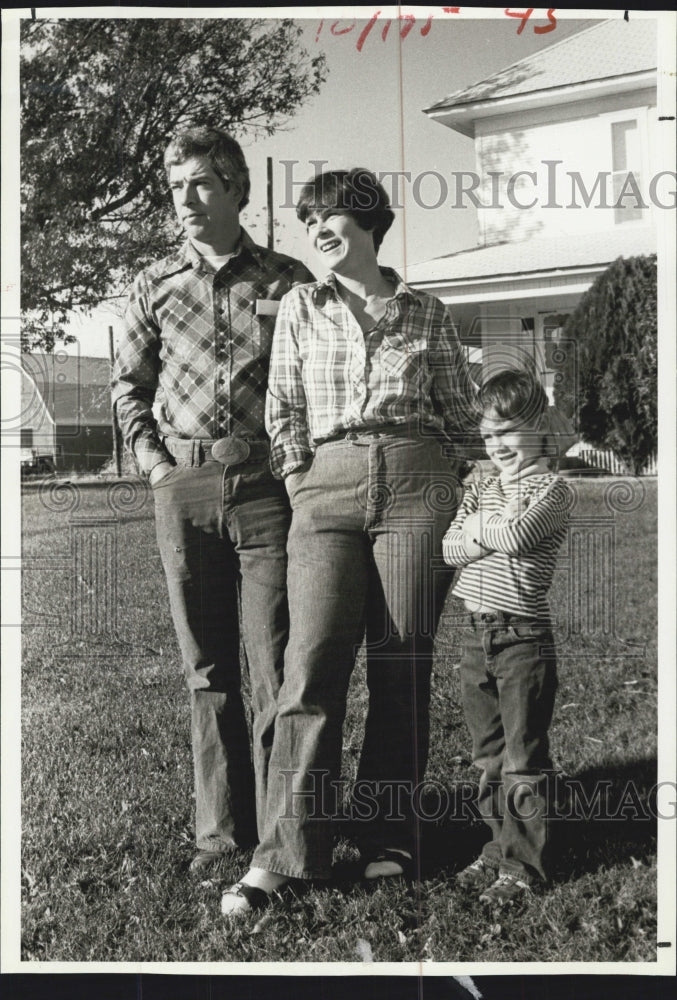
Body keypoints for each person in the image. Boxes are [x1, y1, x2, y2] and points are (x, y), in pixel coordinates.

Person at [221, 167, 476, 917]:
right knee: (310, 666)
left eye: (329, 217)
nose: (318, 232)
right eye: (309, 224)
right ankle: (285, 853)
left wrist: (463, 480)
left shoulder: (427, 311)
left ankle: (388, 837)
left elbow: (460, 414)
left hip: (415, 479)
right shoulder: (300, 304)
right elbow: (283, 407)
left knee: (401, 664)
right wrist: (302, 481)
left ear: (368, 221)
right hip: (325, 487)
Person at [111, 126, 314, 873]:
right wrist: (156, 466)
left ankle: (280, 833)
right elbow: (128, 389)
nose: (186, 202)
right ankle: (219, 833)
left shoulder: (290, 280)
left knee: (272, 664)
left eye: (200, 184)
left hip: (268, 489)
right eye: (175, 189)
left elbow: (311, 386)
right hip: (185, 488)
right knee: (207, 669)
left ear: (235, 188)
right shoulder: (153, 285)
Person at [442, 369, 572, 906]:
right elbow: (450, 549)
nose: (497, 446)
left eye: (509, 432)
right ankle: (496, 849)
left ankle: (524, 864)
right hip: (476, 636)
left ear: (540, 429)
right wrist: (478, 531)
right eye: (489, 436)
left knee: (523, 757)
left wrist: (480, 531)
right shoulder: (484, 487)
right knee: (488, 754)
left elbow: (519, 537)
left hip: (522, 640)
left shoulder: (554, 489)